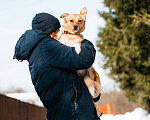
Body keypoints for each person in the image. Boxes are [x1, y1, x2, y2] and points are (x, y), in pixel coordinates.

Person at [13, 12, 102, 120]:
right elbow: (85, 59)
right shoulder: (47, 47)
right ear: (49, 32)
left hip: (72, 113)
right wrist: (81, 39)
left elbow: (71, 81)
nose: (60, 33)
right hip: (73, 115)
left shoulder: (40, 50)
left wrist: (94, 94)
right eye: (56, 30)